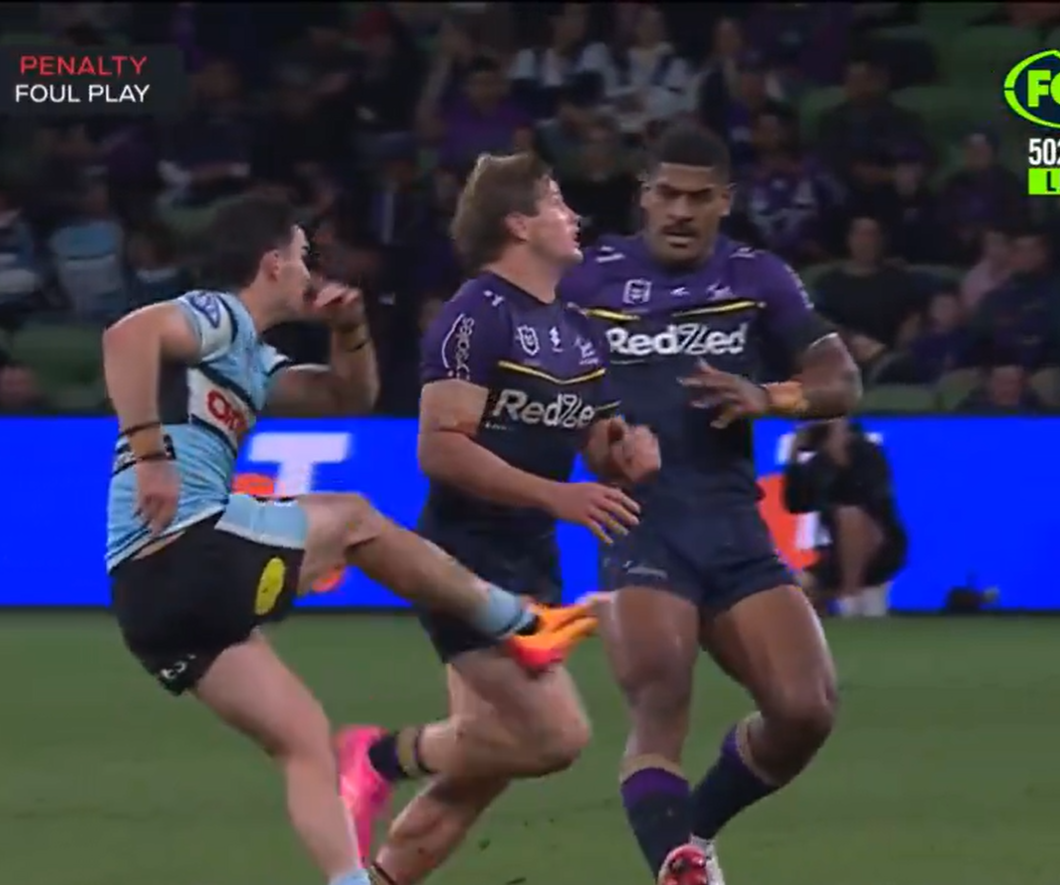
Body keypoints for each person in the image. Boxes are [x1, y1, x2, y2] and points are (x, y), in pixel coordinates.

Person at [101, 193, 599, 885]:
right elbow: (126, 336)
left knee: (304, 740)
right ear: (272, 264)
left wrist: (350, 330)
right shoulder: (218, 314)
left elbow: (345, 398)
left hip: (146, 600)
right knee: (355, 518)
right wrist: (151, 454)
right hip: (187, 542)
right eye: (302, 256)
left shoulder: (249, 359)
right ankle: (518, 622)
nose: (311, 271)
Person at [334, 152, 661, 882]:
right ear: (518, 223)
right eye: (557, 202)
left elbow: (598, 445)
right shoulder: (474, 315)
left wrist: (628, 456)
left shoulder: (577, 326)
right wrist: (556, 495)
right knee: (554, 737)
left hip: (532, 560)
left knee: (480, 768)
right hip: (464, 558)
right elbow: (439, 448)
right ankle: (378, 755)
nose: (573, 216)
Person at [561, 122, 862, 885]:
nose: (680, 210)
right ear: (643, 195)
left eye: (698, 197)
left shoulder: (756, 277)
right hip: (640, 522)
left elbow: (840, 378)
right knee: (659, 697)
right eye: (666, 193)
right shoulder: (586, 281)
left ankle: (688, 831)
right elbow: (543, 393)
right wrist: (598, 441)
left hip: (732, 525)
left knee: (805, 710)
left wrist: (771, 396)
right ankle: (679, 867)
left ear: (724, 201)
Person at [783, 419, 908, 616]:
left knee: (849, 514)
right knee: (796, 589)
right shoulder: (819, 465)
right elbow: (796, 504)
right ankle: (826, 611)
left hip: (879, 550)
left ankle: (851, 594)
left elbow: (867, 500)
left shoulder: (867, 453)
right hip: (838, 554)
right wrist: (793, 461)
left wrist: (841, 457)